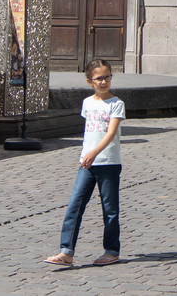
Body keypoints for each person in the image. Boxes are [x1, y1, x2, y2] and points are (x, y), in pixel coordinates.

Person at [45, 58, 126, 268]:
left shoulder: (116, 104)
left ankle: (111, 251)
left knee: (110, 209)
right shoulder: (87, 103)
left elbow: (110, 133)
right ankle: (66, 252)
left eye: (107, 77)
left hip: (108, 162)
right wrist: (86, 154)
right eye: (99, 78)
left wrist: (95, 152)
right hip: (87, 163)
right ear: (90, 81)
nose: (104, 81)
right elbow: (89, 132)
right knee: (75, 205)